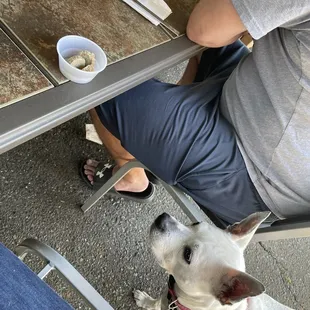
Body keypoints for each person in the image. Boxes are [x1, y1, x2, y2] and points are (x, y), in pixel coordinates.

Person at [80, 0, 310, 224]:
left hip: (254, 174)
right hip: (256, 98)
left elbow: (203, 29)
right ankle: (158, 137)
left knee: (96, 75)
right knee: (209, 29)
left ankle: (131, 175)